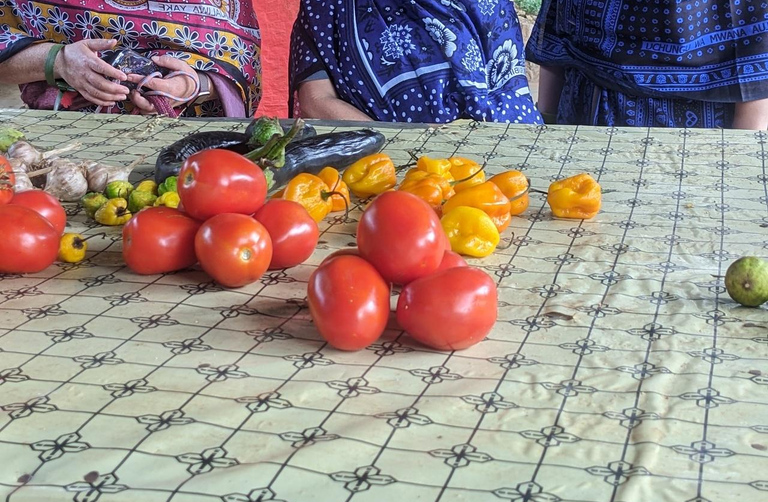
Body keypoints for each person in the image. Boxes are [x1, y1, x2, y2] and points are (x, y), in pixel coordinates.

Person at [289, 0, 542, 124]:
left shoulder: (485, 3)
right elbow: (316, 101)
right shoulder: (325, 7)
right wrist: (394, 148)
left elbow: (509, 93)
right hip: (383, 169)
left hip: (495, 158)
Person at [526, 0, 768, 129]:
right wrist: (547, 124)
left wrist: (740, 157)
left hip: (695, 138)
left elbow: (755, 67)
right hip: (584, 114)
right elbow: (556, 32)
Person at [0, 0, 262, 117]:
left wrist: (192, 86)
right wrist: (59, 60)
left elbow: (239, 59)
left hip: (188, 146)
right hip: (60, 135)